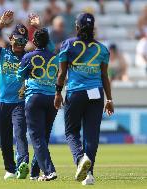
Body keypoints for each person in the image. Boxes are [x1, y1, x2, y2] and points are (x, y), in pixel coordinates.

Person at [54, 13, 114, 185]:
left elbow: (61, 73)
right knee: (91, 135)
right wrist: (109, 99)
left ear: (77, 27)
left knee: (71, 131)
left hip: (76, 93)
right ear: (93, 28)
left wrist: (58, 93)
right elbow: (104, 76)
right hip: (97, 93)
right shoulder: (102, 49)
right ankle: (89, 175)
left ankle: (80, 159)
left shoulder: (67, 44)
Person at [0, 10, 30, 180]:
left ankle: (23, 164)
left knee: (19, 133)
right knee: (2, 136)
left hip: (19, 102)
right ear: (11, 39)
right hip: (1, 101)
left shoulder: (28, 57)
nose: (20, 44)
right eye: (17, 40)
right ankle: (10, 169)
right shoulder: (1, 54)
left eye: (23, 41)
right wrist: (0, 25)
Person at [17, 28, 58, 181]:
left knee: (36, 137)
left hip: (34, 98)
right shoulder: (55, 58)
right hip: (52, 98)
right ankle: (35, 172)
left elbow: (19, 75)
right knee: (44, 136)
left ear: (33, 42)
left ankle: (49, 171)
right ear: (48, 42)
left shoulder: (28, 56)